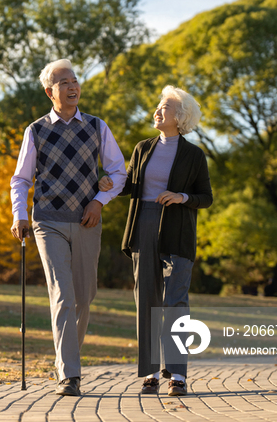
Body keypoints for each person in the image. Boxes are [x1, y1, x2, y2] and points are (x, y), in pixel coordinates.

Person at [10, 59, 126, 396]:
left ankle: (66, 360)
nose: (73, 86)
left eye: (75, 80)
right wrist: (19, 215)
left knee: (84, 296)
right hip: (48, 221)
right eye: (64, 82)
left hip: (87, 219)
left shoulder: (96, 127)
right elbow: (20, 180)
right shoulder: (36, 131)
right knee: (62, 293)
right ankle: (69, 373)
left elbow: (119, 173)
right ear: (50, 92)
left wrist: (99, 202)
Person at [99, 85, 212, 396]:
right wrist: (109, 183)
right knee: (146, 300)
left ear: (181, 117)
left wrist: (181, 196)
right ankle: (150, 372)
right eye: (159, 106)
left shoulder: (194, 155)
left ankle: (177, 373)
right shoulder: (143, 148)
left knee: (175, 301)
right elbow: (129, 185)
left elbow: (206, 197)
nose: (158, 111)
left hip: (178, 230)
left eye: (165, 107)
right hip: (143, 226)